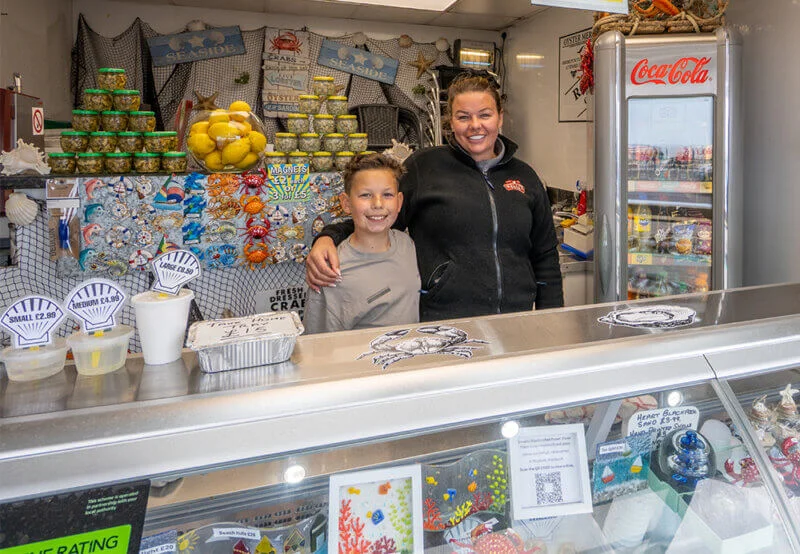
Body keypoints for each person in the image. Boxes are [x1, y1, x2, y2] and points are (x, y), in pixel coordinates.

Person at [306, 73, 563, 322]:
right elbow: (380, 216)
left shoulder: (525, 176)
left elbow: (545, 255)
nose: (475, 125)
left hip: (515, 319)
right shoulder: (424, 167)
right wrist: (329, 236)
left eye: (485, 115)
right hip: (442, 320)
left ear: (500, 118)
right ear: (451, 121)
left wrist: (551, 319)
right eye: (463, 117)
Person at [303, 153, 420, 333]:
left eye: (387, 194)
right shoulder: (329, 272)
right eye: (366, 195)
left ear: (399, 202)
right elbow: (317, 348)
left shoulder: (407, 245)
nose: (378, 204)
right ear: (346, 203)